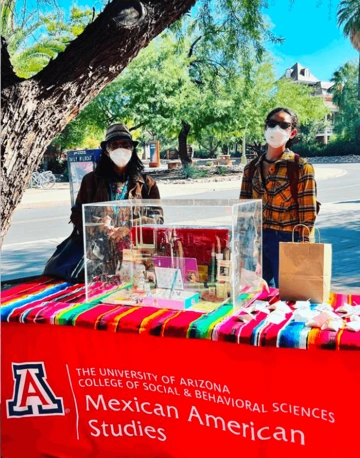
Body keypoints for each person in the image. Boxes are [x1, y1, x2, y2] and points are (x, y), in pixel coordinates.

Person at [240, 107, 317, 288]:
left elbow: (308, 216)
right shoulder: (251, 168)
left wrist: (305, 250)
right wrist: (242, 247)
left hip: (288, 241)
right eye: (272, 123)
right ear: (265, 128)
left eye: (284, 125)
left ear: (292, 133)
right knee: (255, 297)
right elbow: (243, 211)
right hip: (257, 242)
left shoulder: (301, 168)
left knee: (289, 296)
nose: (277, 129)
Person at [71, 122, 162, 232]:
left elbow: (158, 218)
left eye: (125, 144)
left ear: (132, 149)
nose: (120, 149)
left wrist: (129, 226)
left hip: (134, 247)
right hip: (100, 247)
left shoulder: (147, 183)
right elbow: (76, 214)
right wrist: (97, 225)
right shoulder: (90, 180)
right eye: (114, 145)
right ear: (106, 151)